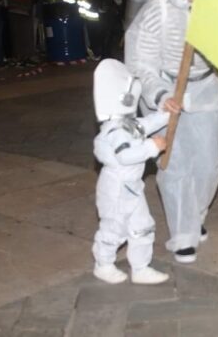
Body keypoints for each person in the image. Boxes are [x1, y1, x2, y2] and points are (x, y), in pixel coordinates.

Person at [125, 0, 218, 263]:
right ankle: (183, 234)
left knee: (207, 165)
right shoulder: (158, 12)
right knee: (175, 164)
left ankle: (195, 215)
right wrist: (159, 94)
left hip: (206, 89)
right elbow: (140, 60)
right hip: (169, 91)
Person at [91, 59, 170, 285]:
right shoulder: (115, 130)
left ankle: (141, 266)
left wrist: (167, 113)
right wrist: (152, 147)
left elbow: (147, 124)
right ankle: (103, 264)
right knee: (114, 228)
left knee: (142, 225)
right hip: (116, 188)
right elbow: (125, 156)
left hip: (132, 187)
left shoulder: (127, 124)